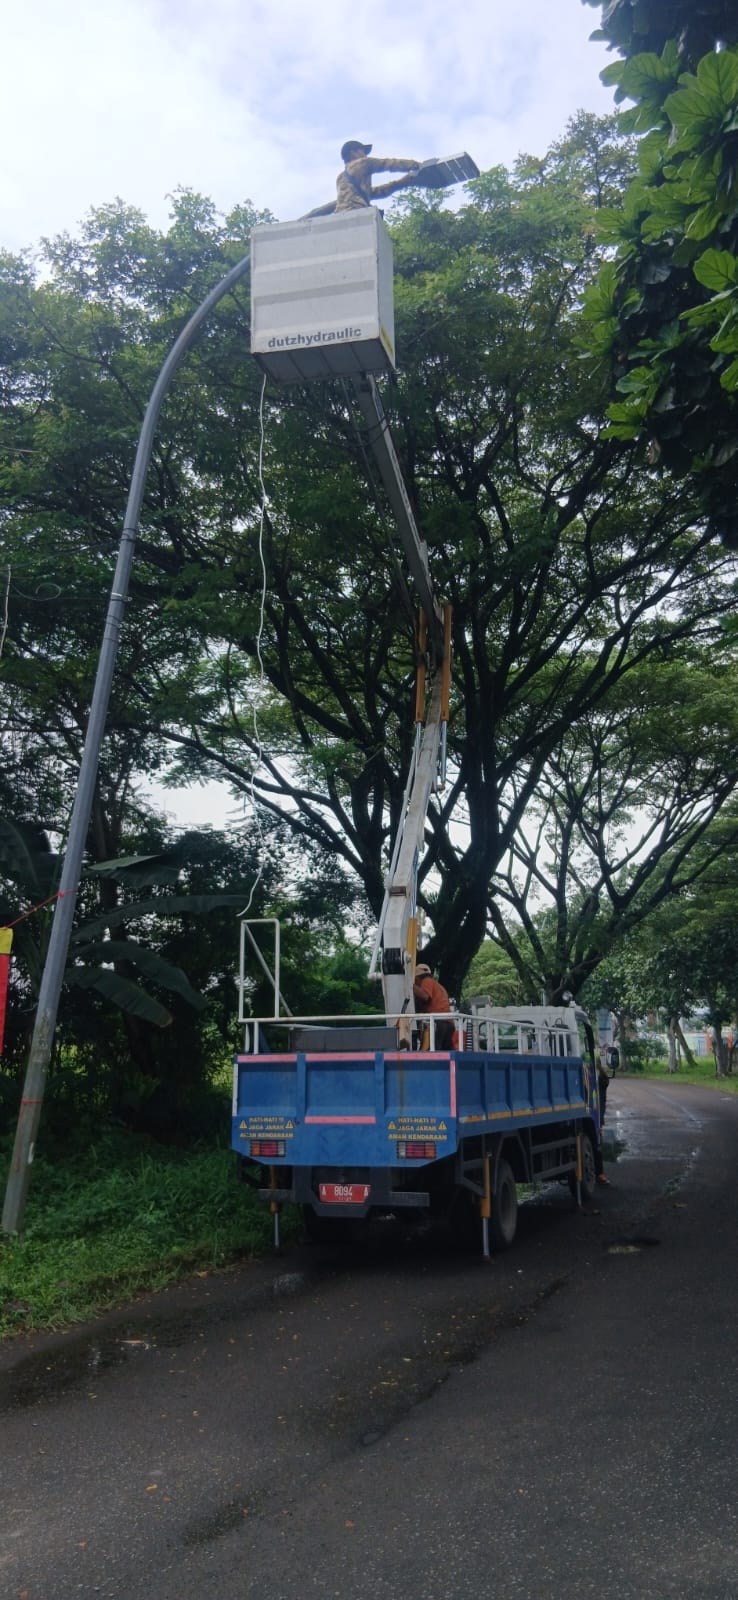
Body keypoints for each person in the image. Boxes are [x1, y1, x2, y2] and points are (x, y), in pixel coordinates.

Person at [307, 140, 421, 217]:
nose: (365, 155)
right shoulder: (363, 163)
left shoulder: (341, 177)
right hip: (357, 213)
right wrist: (414, 165)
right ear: (353, 153)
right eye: (362, 151)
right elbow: (388, 163)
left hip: (341, 216)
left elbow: (373, 193)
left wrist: (401, 183)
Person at [413, 961, 455, 1049]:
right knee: (446, 1052)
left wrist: (410, 986)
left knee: (432, 1051)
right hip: (449, 1023)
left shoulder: (426, 981)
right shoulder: (439, 986)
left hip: (438, 1022)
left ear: (417, 977)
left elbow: (425, 996)